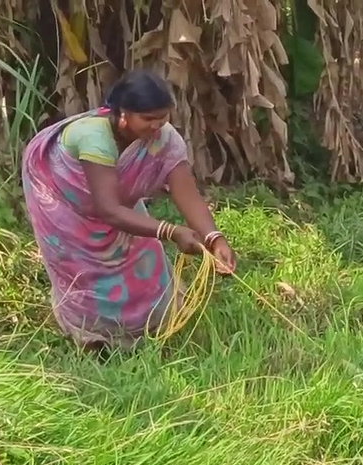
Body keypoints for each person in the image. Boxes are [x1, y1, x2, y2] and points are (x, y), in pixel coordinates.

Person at [21, 69, 238, 351]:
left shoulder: (163, 137)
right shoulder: (93, 136)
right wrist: (170, 231)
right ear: (123, 113)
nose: (157, 126)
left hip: (116, 202)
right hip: (69, 209)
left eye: (163, 117)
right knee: (85, 280)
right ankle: (92, 344)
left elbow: (185, 190)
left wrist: (214, 238)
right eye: (148, 119)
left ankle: (150, 337)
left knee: (144, 261)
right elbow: (109, 209)